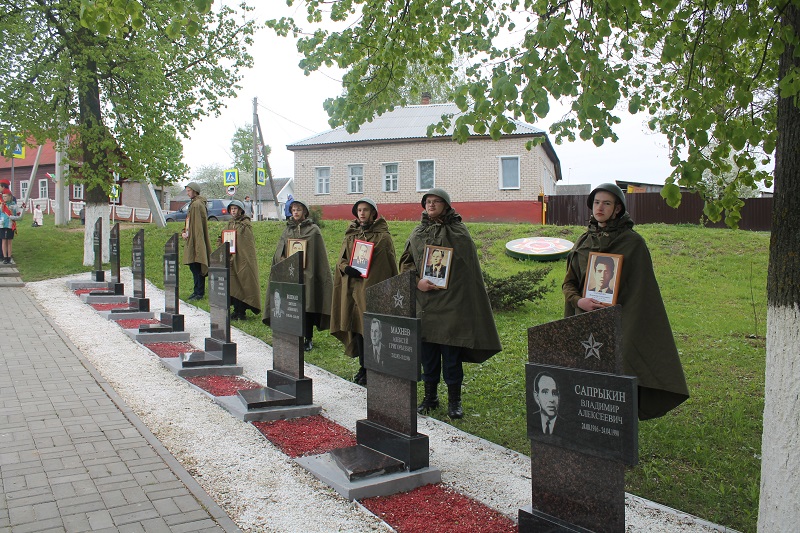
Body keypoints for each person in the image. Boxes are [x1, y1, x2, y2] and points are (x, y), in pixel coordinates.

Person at [562, 183, 689, 420]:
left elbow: (642, 290)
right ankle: (588, 417)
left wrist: (622, 314)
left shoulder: (633, 243)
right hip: (585, 320)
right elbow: (568, 284)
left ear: (617, 208)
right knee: (587, 373)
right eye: (597, 202)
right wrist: (579, 302)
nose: (600, 208)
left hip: (620, 323)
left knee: (617, 373)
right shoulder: (582, 243)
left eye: (606, 203)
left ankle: (617, 418)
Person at [399, 188, 501, 419]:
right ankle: (430, 397)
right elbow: (406, 262)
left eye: (436, 201)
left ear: (446, 205)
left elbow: (467, 267)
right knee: (429, 356)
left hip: (452, 304)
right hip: (425, 302)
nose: (431, 205)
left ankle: (455, 401)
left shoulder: (458, 231)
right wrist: (417, 282)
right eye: (428, 202)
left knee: (451, 357)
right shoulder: (418, 232)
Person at [331, 198, 398, 385]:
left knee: (372, 328)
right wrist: (347, 268)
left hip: (372, 288)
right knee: (358, 328)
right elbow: (341, 260)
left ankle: (374, 367)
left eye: (366, 210)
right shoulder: (351, 235)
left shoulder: (382, 237)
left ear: (373, 213)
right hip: (353, 289)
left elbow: (387, 266)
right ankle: (363, 366)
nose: (362, 213)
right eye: (359, 210)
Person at [264, 199, 332, 351]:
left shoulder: (313, 230)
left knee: (307, 306)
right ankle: (293, 334)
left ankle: (308, 338)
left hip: (308, 274)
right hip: (291, 274)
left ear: (305, 212)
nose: (295, 212)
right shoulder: (287, 230)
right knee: (291, 306)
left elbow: (318, 256)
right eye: (293, 209)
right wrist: (284, 260)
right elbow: (278, 253)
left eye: (299, 209)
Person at [222, 199, 260, 320]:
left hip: (242, 259)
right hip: (231, 258)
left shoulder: (245, 224)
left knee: (243, 282)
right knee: (233, 285)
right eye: (231, 209)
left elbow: (246, 244)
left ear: (240, 210)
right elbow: (223, 237)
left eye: (235, 209)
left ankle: (241, 311)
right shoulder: (229, 223)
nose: (233, 211)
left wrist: (239, 255)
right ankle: (236, 310)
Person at [181, 182, 211, 301]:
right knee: (193, 266)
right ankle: (196, 291)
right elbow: (190, 222)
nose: (187, 193)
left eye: (189, 190)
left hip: (196, 239)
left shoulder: (197, 204)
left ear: (195, 191)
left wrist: (195, 239)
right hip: (191, 237)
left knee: (197, 265)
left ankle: (199, 292)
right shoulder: (193, 204)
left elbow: (198, 226)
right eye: (187, 191)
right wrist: (185, 231)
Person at [532, 371, 562, 436]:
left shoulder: (568, 426)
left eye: (554, 393)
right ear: (536, 397)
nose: (551, 399)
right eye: (545, 392)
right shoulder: (532, 419)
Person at [1, 188, 22, 264]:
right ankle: (4, 257)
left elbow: (19, 216)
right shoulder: (2, 205)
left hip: (10, 225)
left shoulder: (14, 205)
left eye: (5, 196)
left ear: (10, 196)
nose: (4, 198)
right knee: (3, 240)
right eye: (3, 196)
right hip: (2, 225)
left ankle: (9, 257)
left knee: (9, 241)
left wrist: (13, 217)